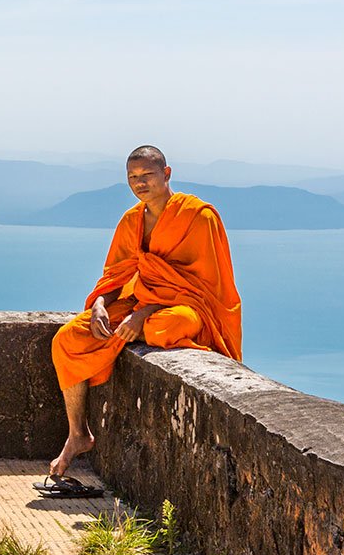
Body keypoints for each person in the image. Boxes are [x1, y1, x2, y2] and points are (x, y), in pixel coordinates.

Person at [44, 145, 242, 481]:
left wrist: (144, 314)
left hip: (188, 308)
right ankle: (78, 432)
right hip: (139, 305)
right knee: (68, 337)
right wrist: (101, 307)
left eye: (147, 175)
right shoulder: (131, 221)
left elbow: (203, 289)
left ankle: (127, 336)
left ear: (166, 174)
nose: (140, 183)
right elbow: (114, 276)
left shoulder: (198, 217)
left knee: (167, 325)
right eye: (132, 177)